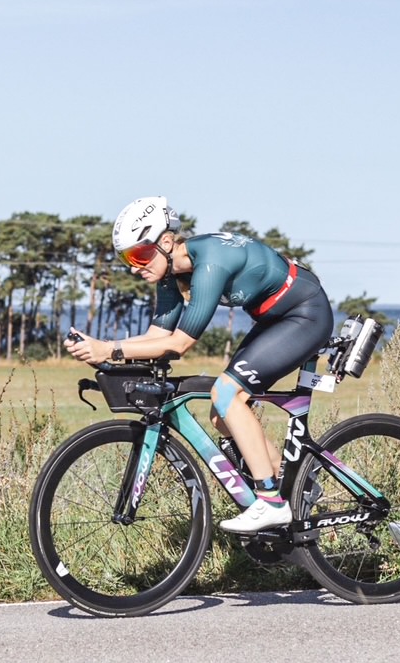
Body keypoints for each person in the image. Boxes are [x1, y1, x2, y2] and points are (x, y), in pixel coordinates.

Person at [64, 196, 334, 534]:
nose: (134, 267)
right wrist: (101, 347)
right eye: (127, 259)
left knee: (226, 394)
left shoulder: (209, 263)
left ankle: (271, 503)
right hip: (274, 319)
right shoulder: (170, 272)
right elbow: (157, 336)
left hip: (306, 314)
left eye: (139, 255)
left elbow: (179, 344)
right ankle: (292, 491)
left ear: (165, 242)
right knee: (221, 415)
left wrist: (110, 350)